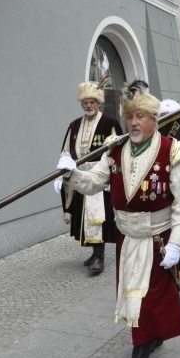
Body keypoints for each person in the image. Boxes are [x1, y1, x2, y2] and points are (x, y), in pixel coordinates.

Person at [55, 82, 180, 358]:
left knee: (147, 299)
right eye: (130, 116)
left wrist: (176, 245)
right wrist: (73, 174)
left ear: (155, 120)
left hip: (158, 239)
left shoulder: (174, 152)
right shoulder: (115, 149)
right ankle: (152, 337)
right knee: (137, 296)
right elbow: (94, 182)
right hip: (126, 238)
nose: (134, 122)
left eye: (142, 116)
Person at [55, 82, 123, 275]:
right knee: (85, 219)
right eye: (85, 102)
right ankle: (94, 254)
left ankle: (100, 258)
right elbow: (66, 153)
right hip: (80, 178)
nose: (89, 105)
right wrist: (61, 175)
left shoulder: (110, 123)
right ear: (81, 104)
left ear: (98, 103)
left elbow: (118, 152)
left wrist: (114, 175)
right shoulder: (74, 125)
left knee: (97, 220)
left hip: (100, 179)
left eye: (92, 101)